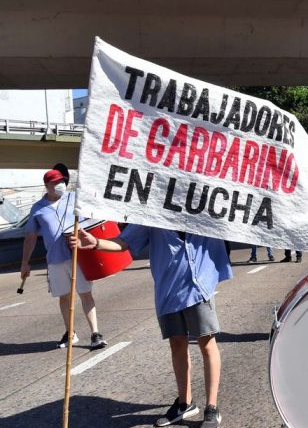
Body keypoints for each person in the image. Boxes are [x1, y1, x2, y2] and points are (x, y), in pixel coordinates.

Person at [69, 226, 230, 427]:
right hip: (168, 289)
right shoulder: (153, 211)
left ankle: (211, 407)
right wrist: (96, 243)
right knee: (177, 344)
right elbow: (124, 241)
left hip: (199, 286)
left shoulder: (202, 203)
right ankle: (184, 404)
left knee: (206, 343)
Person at [21, 169, 107, 350]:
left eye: (62, 181)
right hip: (54, 259)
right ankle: (70, 332)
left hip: (77, 255)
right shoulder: (38, 208)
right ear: (47, 186)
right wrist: (25, 262)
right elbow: (30, 237)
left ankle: (95, 334)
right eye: (55, 182)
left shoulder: (74, 199)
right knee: (64, 297)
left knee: (85, 293)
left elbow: (90, 223)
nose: (60, 184)